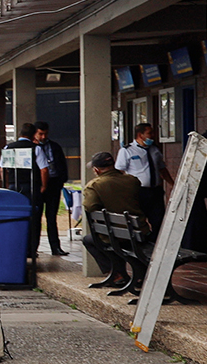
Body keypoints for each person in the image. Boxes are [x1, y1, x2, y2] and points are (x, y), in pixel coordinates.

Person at [81, 151, 145, 289]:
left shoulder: (95, 185)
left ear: (96, 170)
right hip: (139, 232)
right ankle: (136, 274)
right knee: (118, 239)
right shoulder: (132, 180)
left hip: (113, 235)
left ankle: (117, 274)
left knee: (90, 240)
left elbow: (90, 207)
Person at [117, 122, 172, 226]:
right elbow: (119, 172)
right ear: (140, 135)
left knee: (158, 220)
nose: (152, 136)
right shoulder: (127, 151)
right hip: (139, 191)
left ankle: (155, 241)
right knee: (139, 221)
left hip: (155, 191)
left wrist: (172, 184)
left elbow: (162, 169)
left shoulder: (155, 149)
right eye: (149, 133)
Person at [3, 123, 42, 259]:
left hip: (14, 186)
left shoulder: (9, 147)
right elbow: (44, 169)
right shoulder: (36, 148)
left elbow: (3, 168)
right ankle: (31, 250)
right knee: (34, 218)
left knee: (14, 216)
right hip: (31, 187)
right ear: (33, 135)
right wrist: (43, 186)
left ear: (20, 134)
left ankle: (16, 247)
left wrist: (8, 184)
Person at [32, 123, 70, 257]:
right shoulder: (32, 147)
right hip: (38, 185)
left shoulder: (54, 146)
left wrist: (61, 179)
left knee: (52, 216)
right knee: (36, 218)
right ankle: (33, 248)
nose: (43, 137)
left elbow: (61, 163)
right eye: (40, 134)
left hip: (53, 183)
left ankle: (55, 247)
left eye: (45, 134)